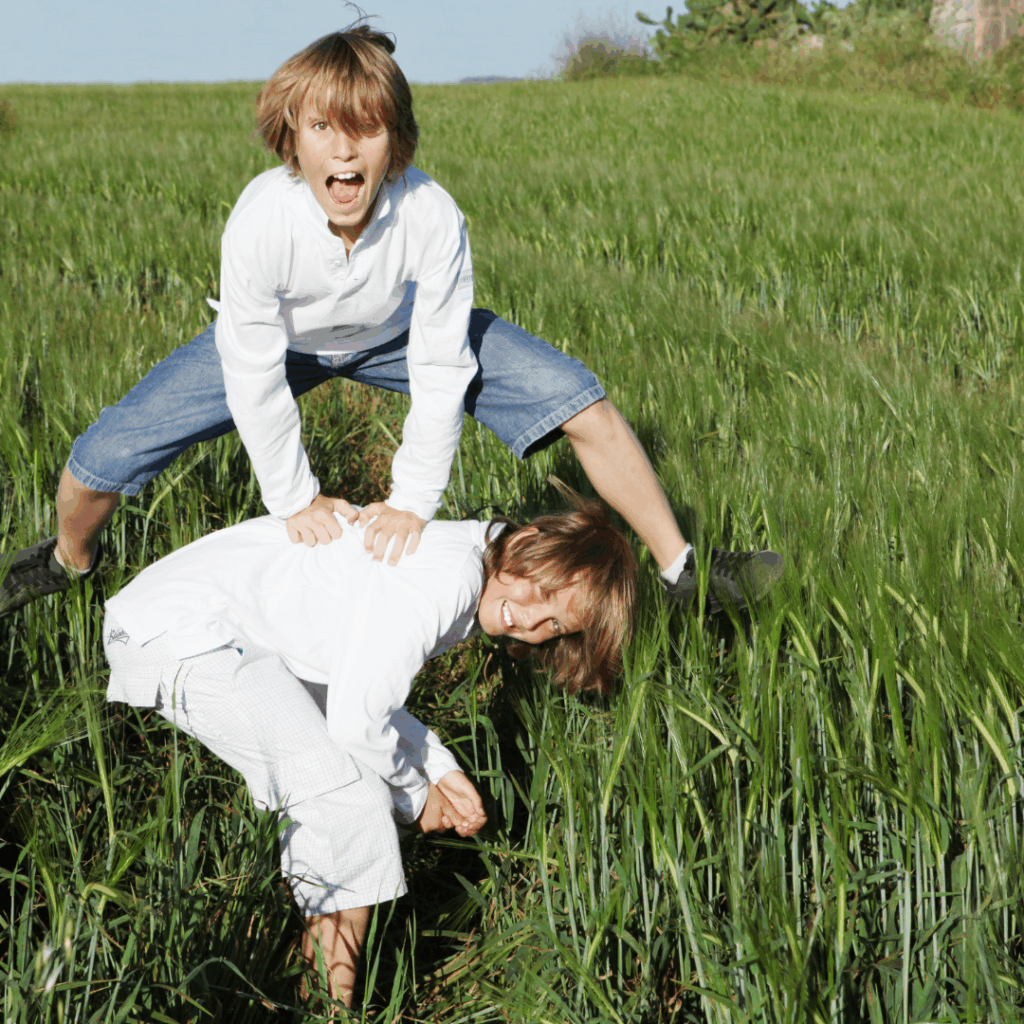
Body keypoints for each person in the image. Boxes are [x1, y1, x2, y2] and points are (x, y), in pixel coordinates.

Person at [0, 24, 780, 618]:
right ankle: (68, 563)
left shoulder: (430, 213)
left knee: (583, 402)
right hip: (281, 344)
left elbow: (441, 363)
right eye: (322, 129)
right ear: (291, 138)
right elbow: (253, 371)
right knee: (96, 463)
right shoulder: (261, 219)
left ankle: (685, 573)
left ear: (395, 143)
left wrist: (413, 498)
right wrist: (294, 498)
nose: (344, 150)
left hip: (397, 337)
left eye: (367, 128)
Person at [101, 490, 638, 1006]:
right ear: (526, 545)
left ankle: (310, 983)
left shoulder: (471, 563)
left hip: (204, 625)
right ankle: (324, 1007)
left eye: (555, 624)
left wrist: (437, 767)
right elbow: (357, 721)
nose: (532, 619)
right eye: (543, 594)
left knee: (348, 793)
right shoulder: (448, 578)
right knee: (350, 803)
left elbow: (355, 684)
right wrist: (415, 796)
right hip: (178, 632)